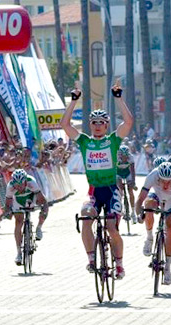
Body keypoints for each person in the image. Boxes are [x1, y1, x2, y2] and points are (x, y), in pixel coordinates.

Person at [60, 81, 133, 279]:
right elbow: (64, 125)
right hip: (93, 190)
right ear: (90, 125)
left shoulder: (113, 140)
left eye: (102, 123)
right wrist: (74, 101)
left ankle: (119, 263)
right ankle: (91, 259)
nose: (98, 126)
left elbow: (128, 122)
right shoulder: (85, 141)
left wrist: (118, 98)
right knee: (85, 217)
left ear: (107, 125)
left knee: (111, 227)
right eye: (94, 123)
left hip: (111, 190)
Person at [135, 162, 171, 285]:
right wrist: (139, 214)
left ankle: (167, 266)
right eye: (163, 181)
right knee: (148, 204)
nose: (166, 185)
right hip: (157, 194)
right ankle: (149, 237)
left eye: (169, 182)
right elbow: (140, 199)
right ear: (158, 178)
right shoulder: (153, 175)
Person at [4, 169, 49, 265]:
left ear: (25, 181)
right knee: (18, 222)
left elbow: (41, 200)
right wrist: (8, 212)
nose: (19, 187)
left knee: (45, 205)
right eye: (17, 184)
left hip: (31, 197)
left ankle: (39, 228)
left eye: (21, 184)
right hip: (18, 200)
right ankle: (19, 253)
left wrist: (43, 211)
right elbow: (7, 204)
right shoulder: (10, 187)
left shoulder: (31, 182)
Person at [116, 145, 137, 223]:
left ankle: (133, 212)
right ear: (120, 155)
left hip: (127, 173)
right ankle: (120, 207)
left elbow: (133, 171)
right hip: (118, 173)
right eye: (123, 156)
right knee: (120, 189)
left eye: (126, 156)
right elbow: (113, 170)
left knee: (130, 190)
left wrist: (133, 182)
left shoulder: (131, 157)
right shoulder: (116, 157)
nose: (125, 158)